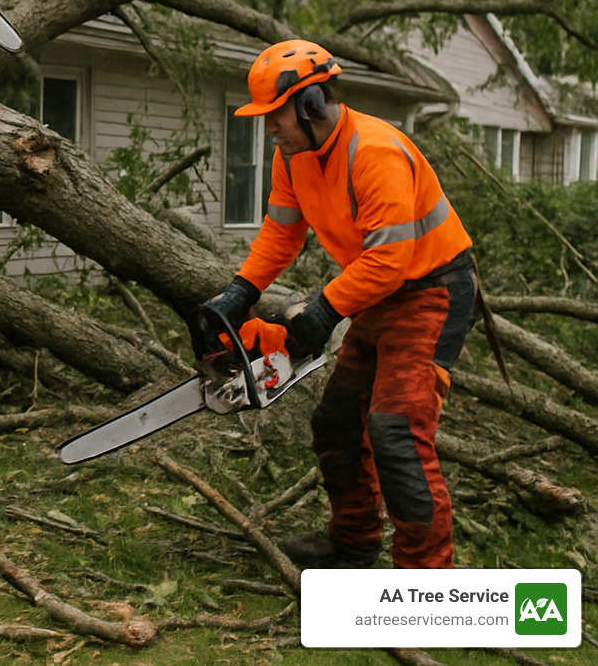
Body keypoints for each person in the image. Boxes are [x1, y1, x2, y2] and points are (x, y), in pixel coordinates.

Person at [195, 39, 476, 570]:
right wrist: (239, 294)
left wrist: (324, 310)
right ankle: (353, 544)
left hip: (431, 291)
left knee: (395, 429)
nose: (268, 127)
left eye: (274, 115)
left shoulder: (374, 151)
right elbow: (281, 234)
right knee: (337, 422)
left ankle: (427, 581)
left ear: (309, 102)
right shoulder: (295, 156)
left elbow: (392, 257)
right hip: (376, 290)